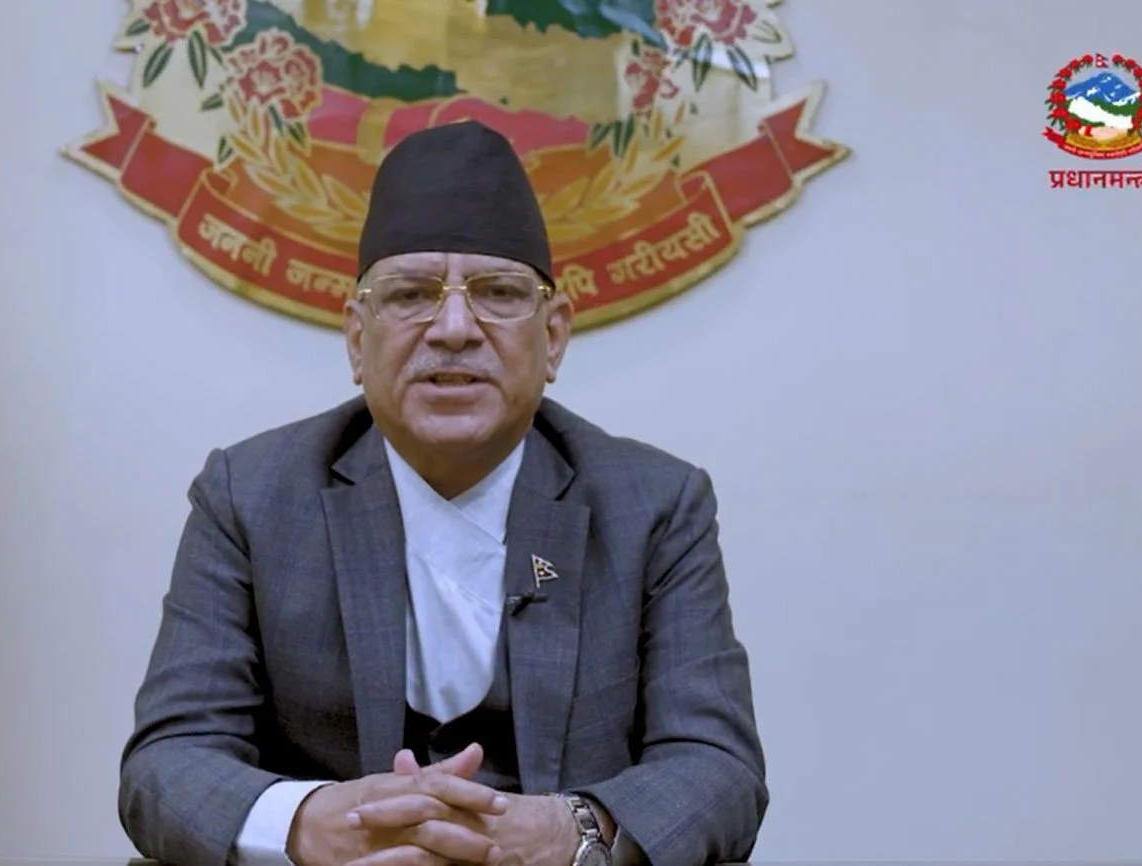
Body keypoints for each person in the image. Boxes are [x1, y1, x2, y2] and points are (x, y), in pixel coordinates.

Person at [119, 120, 767, 866]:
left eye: (499, 293)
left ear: (554, 337)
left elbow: (718, 770)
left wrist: (567, 832)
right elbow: (166, 764)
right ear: (357, 339)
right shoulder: (251, 496)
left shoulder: (655, 503)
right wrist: (312, 823)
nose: (454, 328)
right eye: (409, 295)